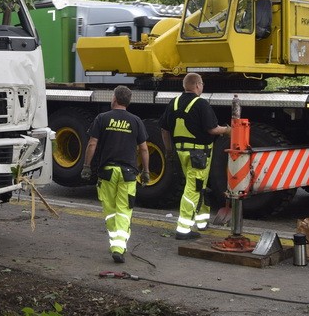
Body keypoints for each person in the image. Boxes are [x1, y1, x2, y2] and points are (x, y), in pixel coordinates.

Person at [80, 85, 150, 264]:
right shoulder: (135, 121)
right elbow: (143, 148)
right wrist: (146, 171)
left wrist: (87, 166)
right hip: (128, 174)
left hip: (107, 173)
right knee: (124, 210)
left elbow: (92, 144)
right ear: (128, 101)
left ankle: (116, 245)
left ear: (114, 99)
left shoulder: (102, 118)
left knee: (110, 211)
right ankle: (119, 246)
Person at [161, 73, 231, 240]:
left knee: (199, 186)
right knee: (193, 189)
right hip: (199, 155)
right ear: (198, 85)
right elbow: (212, 129)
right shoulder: (201, 104)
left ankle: (201, 222)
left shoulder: (174, 102)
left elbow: (164, 129)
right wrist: (228, 130)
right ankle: (183, 229)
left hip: (181, 152)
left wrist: (169, 151)